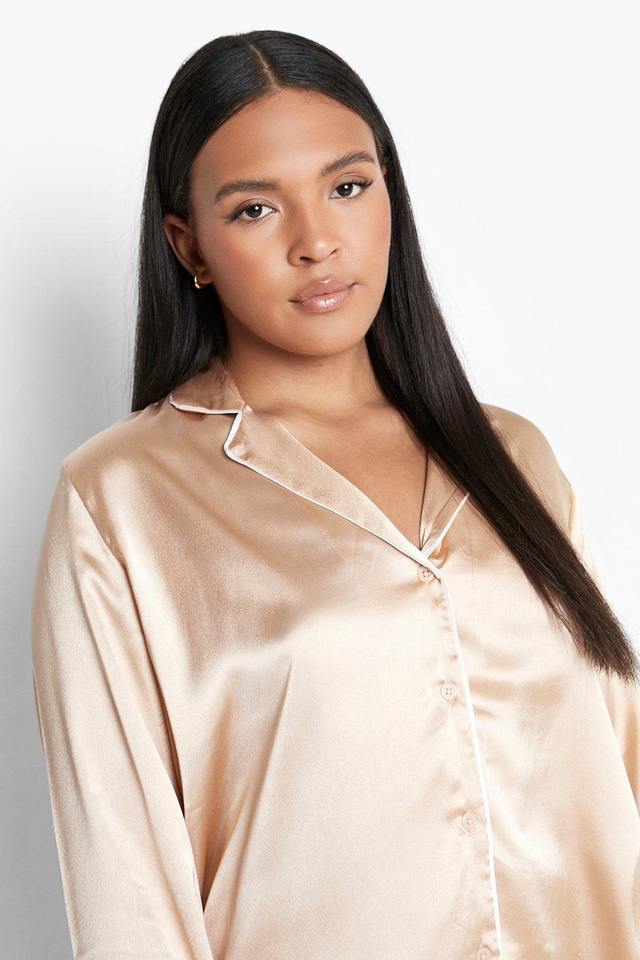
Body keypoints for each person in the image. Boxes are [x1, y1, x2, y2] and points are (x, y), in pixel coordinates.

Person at [31, 29, 640, 960]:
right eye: (254, 210)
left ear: (390, 193)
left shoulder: (516, 457)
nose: (317, 242)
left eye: (348, 188)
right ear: (189, 246)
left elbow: (619, 758)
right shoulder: (121, 503)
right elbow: (126, 894)